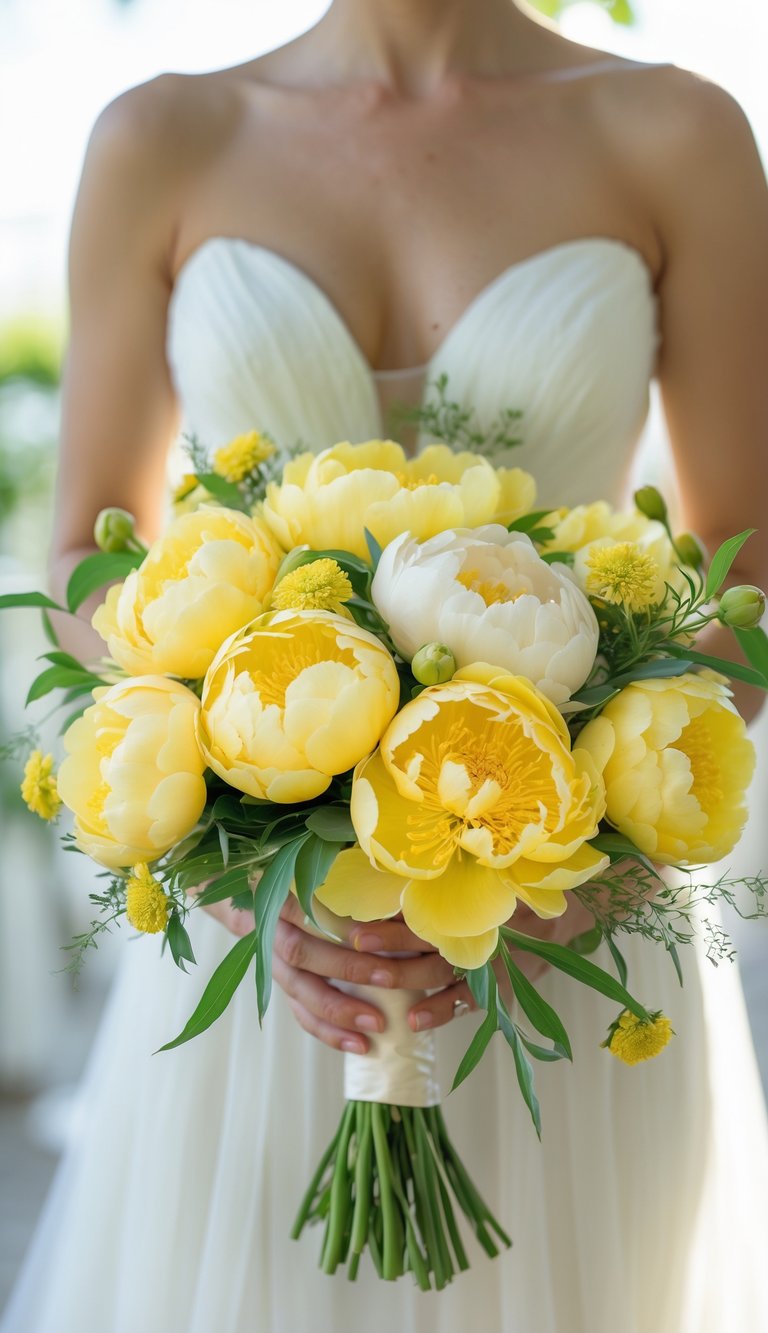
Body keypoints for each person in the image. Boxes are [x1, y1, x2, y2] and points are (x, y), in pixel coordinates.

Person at [3, 2, 768, 1330]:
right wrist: (245, 867)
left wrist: (585, 875)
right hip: (275, 948)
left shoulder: (677, 131)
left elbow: (748, 563)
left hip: (572, 944)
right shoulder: (163, 137)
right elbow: (85, 550)